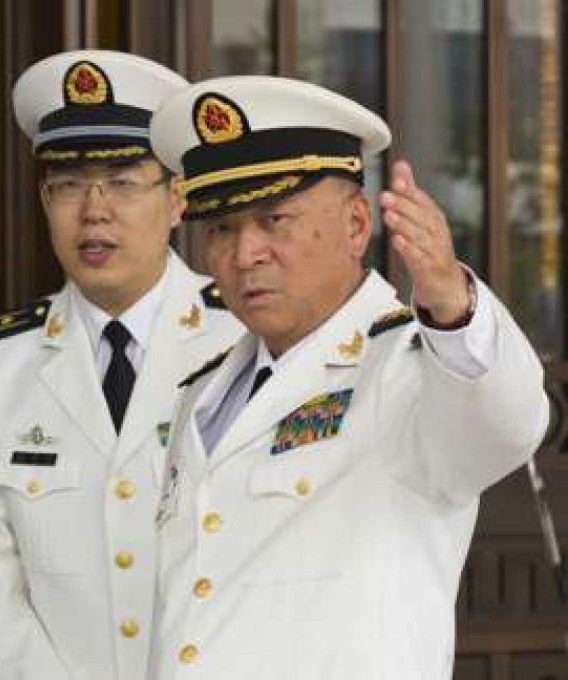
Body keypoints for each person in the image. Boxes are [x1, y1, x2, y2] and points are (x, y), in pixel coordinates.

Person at [145, 76, 549, 679]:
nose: (244, 252)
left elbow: (507, 422)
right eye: (222, 228)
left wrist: (450, 304)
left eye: (274, 218)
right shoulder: (205, 393)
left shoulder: (413, 368)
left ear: (358, 225)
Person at [0, 50, 244, 680]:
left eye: (123, 181)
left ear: (177, 198)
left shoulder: (246, 336)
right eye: (69, 185)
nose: (94, 210)